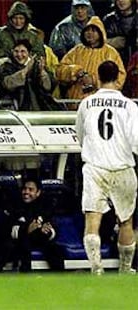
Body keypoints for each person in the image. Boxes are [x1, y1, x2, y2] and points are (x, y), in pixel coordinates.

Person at [75, 60, 138, 274]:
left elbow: (80, 136)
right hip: (123, 167)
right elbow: (136, 139)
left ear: (98, 77)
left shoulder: (86, 103)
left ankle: (96, 268)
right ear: (119, 78)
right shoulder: (130, 106)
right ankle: (124, 269)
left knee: (93, 218)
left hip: (95, 167)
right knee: (126, 220)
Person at [56, 16, 126, 107]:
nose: (89, 33)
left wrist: (94, 81)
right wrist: (76, 71)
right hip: (76, 104)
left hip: (101, 105)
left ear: (101, 33)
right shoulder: (76, 51)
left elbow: (120, 78)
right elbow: (59, 70)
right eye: (87, 30)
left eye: (93, 30)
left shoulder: (111, 53)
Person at [6, 178, 64, 272]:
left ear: (38, 193)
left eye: (31, 189)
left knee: (56, 250)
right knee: (20, 247)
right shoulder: (15, 205)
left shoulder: (45, 206)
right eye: (24, 189)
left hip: (40, 240)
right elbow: (8, 229)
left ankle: (60, 282)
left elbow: (53, 228)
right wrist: (26, 229)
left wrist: (47, 231)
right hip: (19, 242)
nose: (26, 192)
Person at [0, 39, 57, 111]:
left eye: (23, 51)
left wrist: (42, 72)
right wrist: (25, 70)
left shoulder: (37, 66)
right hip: (15, 107)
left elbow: (48, 87)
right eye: (16, 51)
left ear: (29, 53)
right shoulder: (6, 66)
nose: (19, 55)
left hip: (39, 108)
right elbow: (7, 84)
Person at [0, 1, 45, 71]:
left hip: (28, 69)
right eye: (15, 18)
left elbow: (39, 54)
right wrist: (7, 56)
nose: (18, 22)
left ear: (26, 19)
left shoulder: (33, 36)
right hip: (4, 69)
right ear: (10, 19)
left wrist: (26, 59)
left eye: (21, 18)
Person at [103, 0, 137, 67]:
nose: (121, 1)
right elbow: (98, 42)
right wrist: (112, 42)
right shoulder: (109, 19)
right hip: (114, 61)